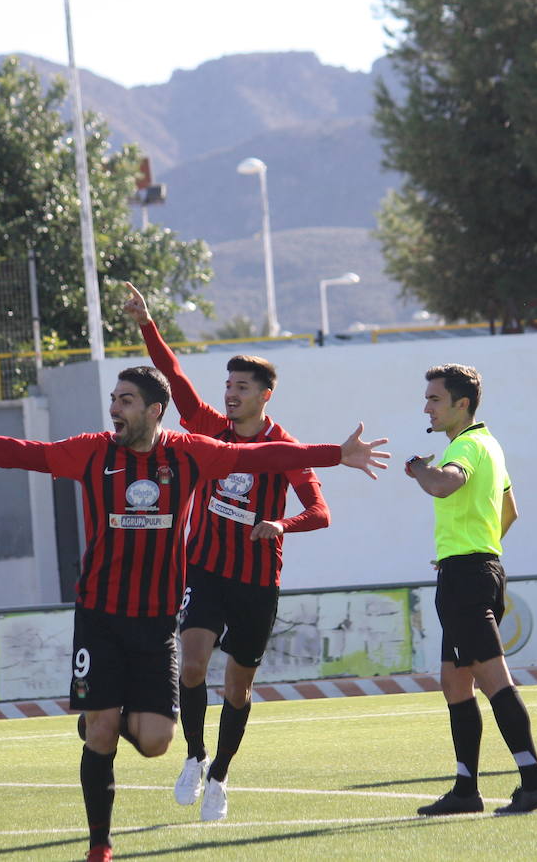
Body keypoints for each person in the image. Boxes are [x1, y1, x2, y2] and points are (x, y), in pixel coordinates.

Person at [0, 384, 387, 862]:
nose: (114, 409)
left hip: (156, 625)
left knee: (155, 742)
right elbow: (21, 452)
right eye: (113, 399)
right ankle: (100, 845)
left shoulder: (190, 453)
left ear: (152, 410)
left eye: (125, 400)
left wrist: (334, 454)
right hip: (99, 616)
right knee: (103, 734)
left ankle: (105, 720)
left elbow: (263, 457)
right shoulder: (92, 451)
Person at [122, 282, 331, 822]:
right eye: (228, 385)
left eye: (242, 386)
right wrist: (147, 324)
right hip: (205, 571)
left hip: (257, 584)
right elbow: (176, 380)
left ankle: (219, 775)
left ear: (265, 395)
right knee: (192, 664)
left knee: (238, 689)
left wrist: (281, 524)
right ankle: (195, 755)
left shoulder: (285, 449)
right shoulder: (212, 430)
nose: (231, 394)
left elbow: (320, 512)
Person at [405, 363, 537, 817]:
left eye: (434, 399)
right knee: (454, 682)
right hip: (475, 570)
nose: (426, 407)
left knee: (494, 681)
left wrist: (419, 470)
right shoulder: (490, 444)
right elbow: (510, 511)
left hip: (467, 579)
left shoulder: (466, 446)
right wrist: (476, 545)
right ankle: (466, 790)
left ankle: (534, 782)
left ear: (462, 403)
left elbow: (445, 484)